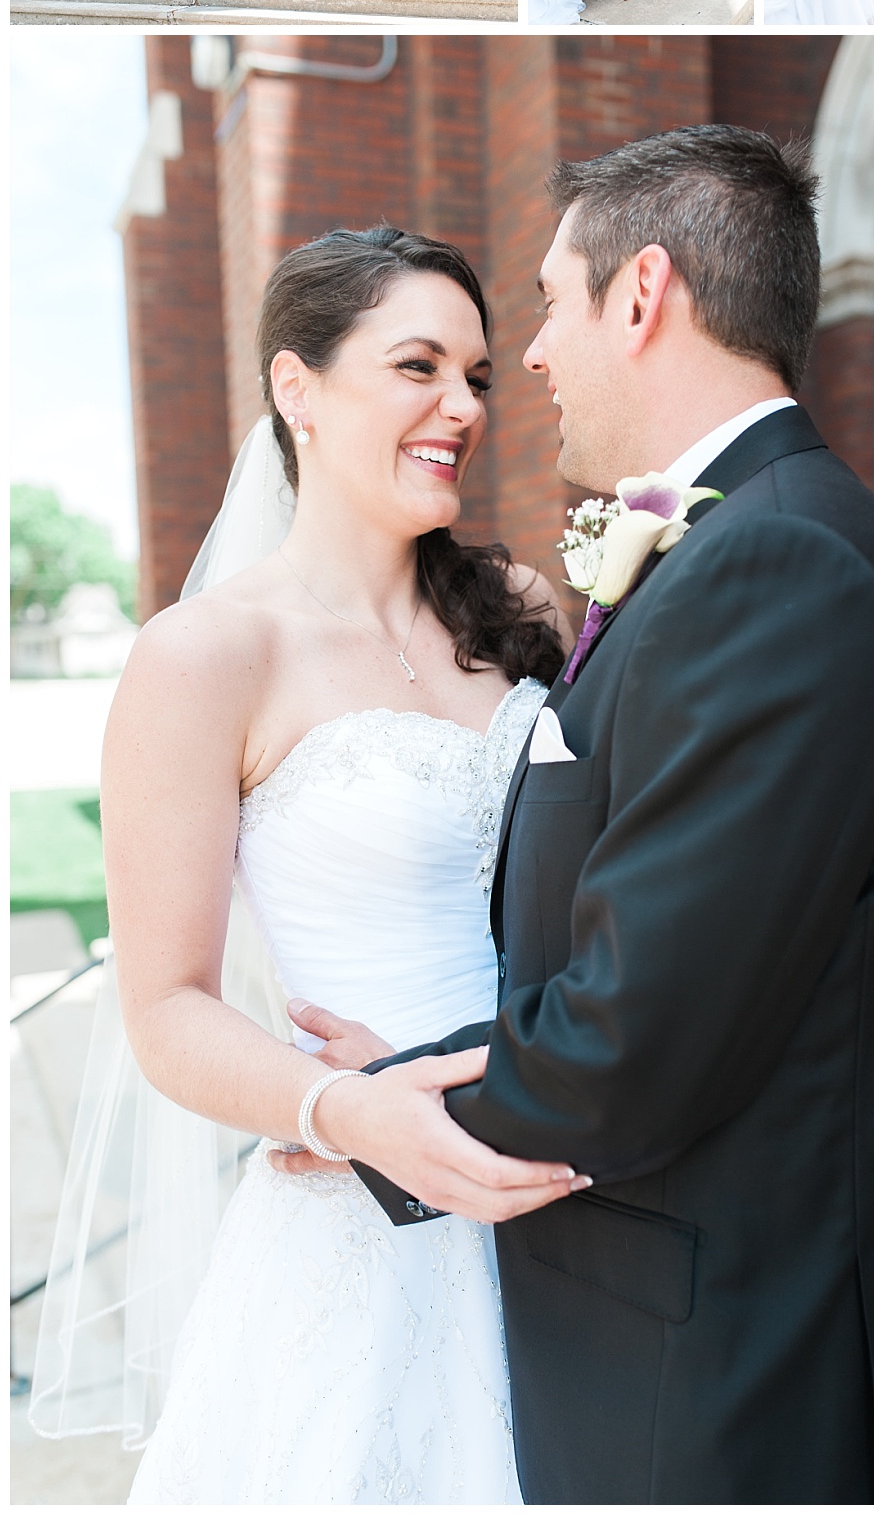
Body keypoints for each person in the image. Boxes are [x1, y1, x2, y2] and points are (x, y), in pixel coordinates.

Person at [281, 127, 874, 1505]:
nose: (528, 357)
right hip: (680, 1341)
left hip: (725, 1380)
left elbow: (638, 1037)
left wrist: (386, 1105)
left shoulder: (779, 566)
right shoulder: (743, 543)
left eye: (550, 302)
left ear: (643, 292)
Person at [29, 227, 579, 1503]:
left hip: (564, 1182)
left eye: (479, 376)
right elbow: (165, 1006)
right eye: (418, 366)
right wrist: (336, 1109)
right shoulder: (205, 656)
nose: (463, 407)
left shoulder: (523, 614)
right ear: (297, 390)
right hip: (366, 1225)